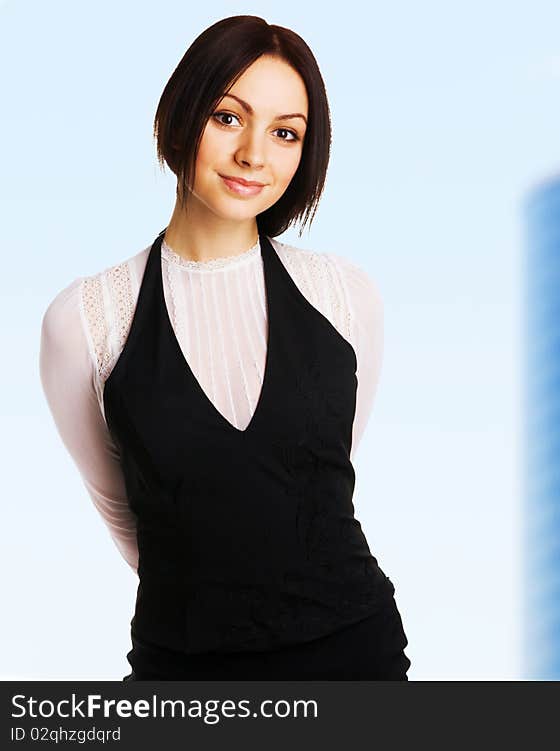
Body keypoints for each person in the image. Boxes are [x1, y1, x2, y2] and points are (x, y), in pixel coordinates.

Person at [38, 15, 410, 681]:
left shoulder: (344, 296)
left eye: (285, 132)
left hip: (355, 656)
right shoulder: (88, 320)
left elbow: (318, 483)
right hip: (184, 673)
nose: (254, 155)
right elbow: (128, 515)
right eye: (229, 118)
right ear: (182, 117)